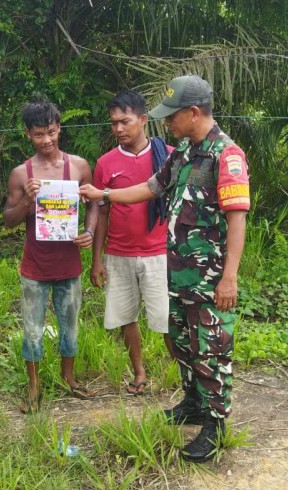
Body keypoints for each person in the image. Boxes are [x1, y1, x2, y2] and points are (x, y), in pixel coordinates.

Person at [81, 75, 250, 463]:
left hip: (209, 279)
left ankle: (214, 424)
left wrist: (230, 277)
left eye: (171, 116)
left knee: (211, 348)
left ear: (193, 113)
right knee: (185, 343)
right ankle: (192, 401)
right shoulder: (184, 153)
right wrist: (103, 194)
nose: (166, 124)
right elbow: (151, 188)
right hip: (178, 273)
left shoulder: (227, 155)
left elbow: (237, 218)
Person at [3, 98, 98, 414]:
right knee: (32, 328)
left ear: (60, 129)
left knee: (70, 324)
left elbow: (95, 203)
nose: (47, 141)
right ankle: (34, 386)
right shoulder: (22, 174)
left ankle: (68, 377)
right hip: (35, 266)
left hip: (69, 264)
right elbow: (8, 220)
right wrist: (28, 201)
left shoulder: (78, 166)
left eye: (52, 132)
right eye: (39, 134)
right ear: (28, 134)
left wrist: (90, 232)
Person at [90, 90, 174, 396]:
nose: (119, 129)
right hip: (118, 253)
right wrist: (97, 259)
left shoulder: (169, 156)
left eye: (124, 122)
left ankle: (184, 371)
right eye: (113, 124)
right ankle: (139, 371)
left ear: (142, 119)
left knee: (167, 319)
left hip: (159, 253)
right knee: (126, 317)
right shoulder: (105, 163)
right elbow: (101, 212)